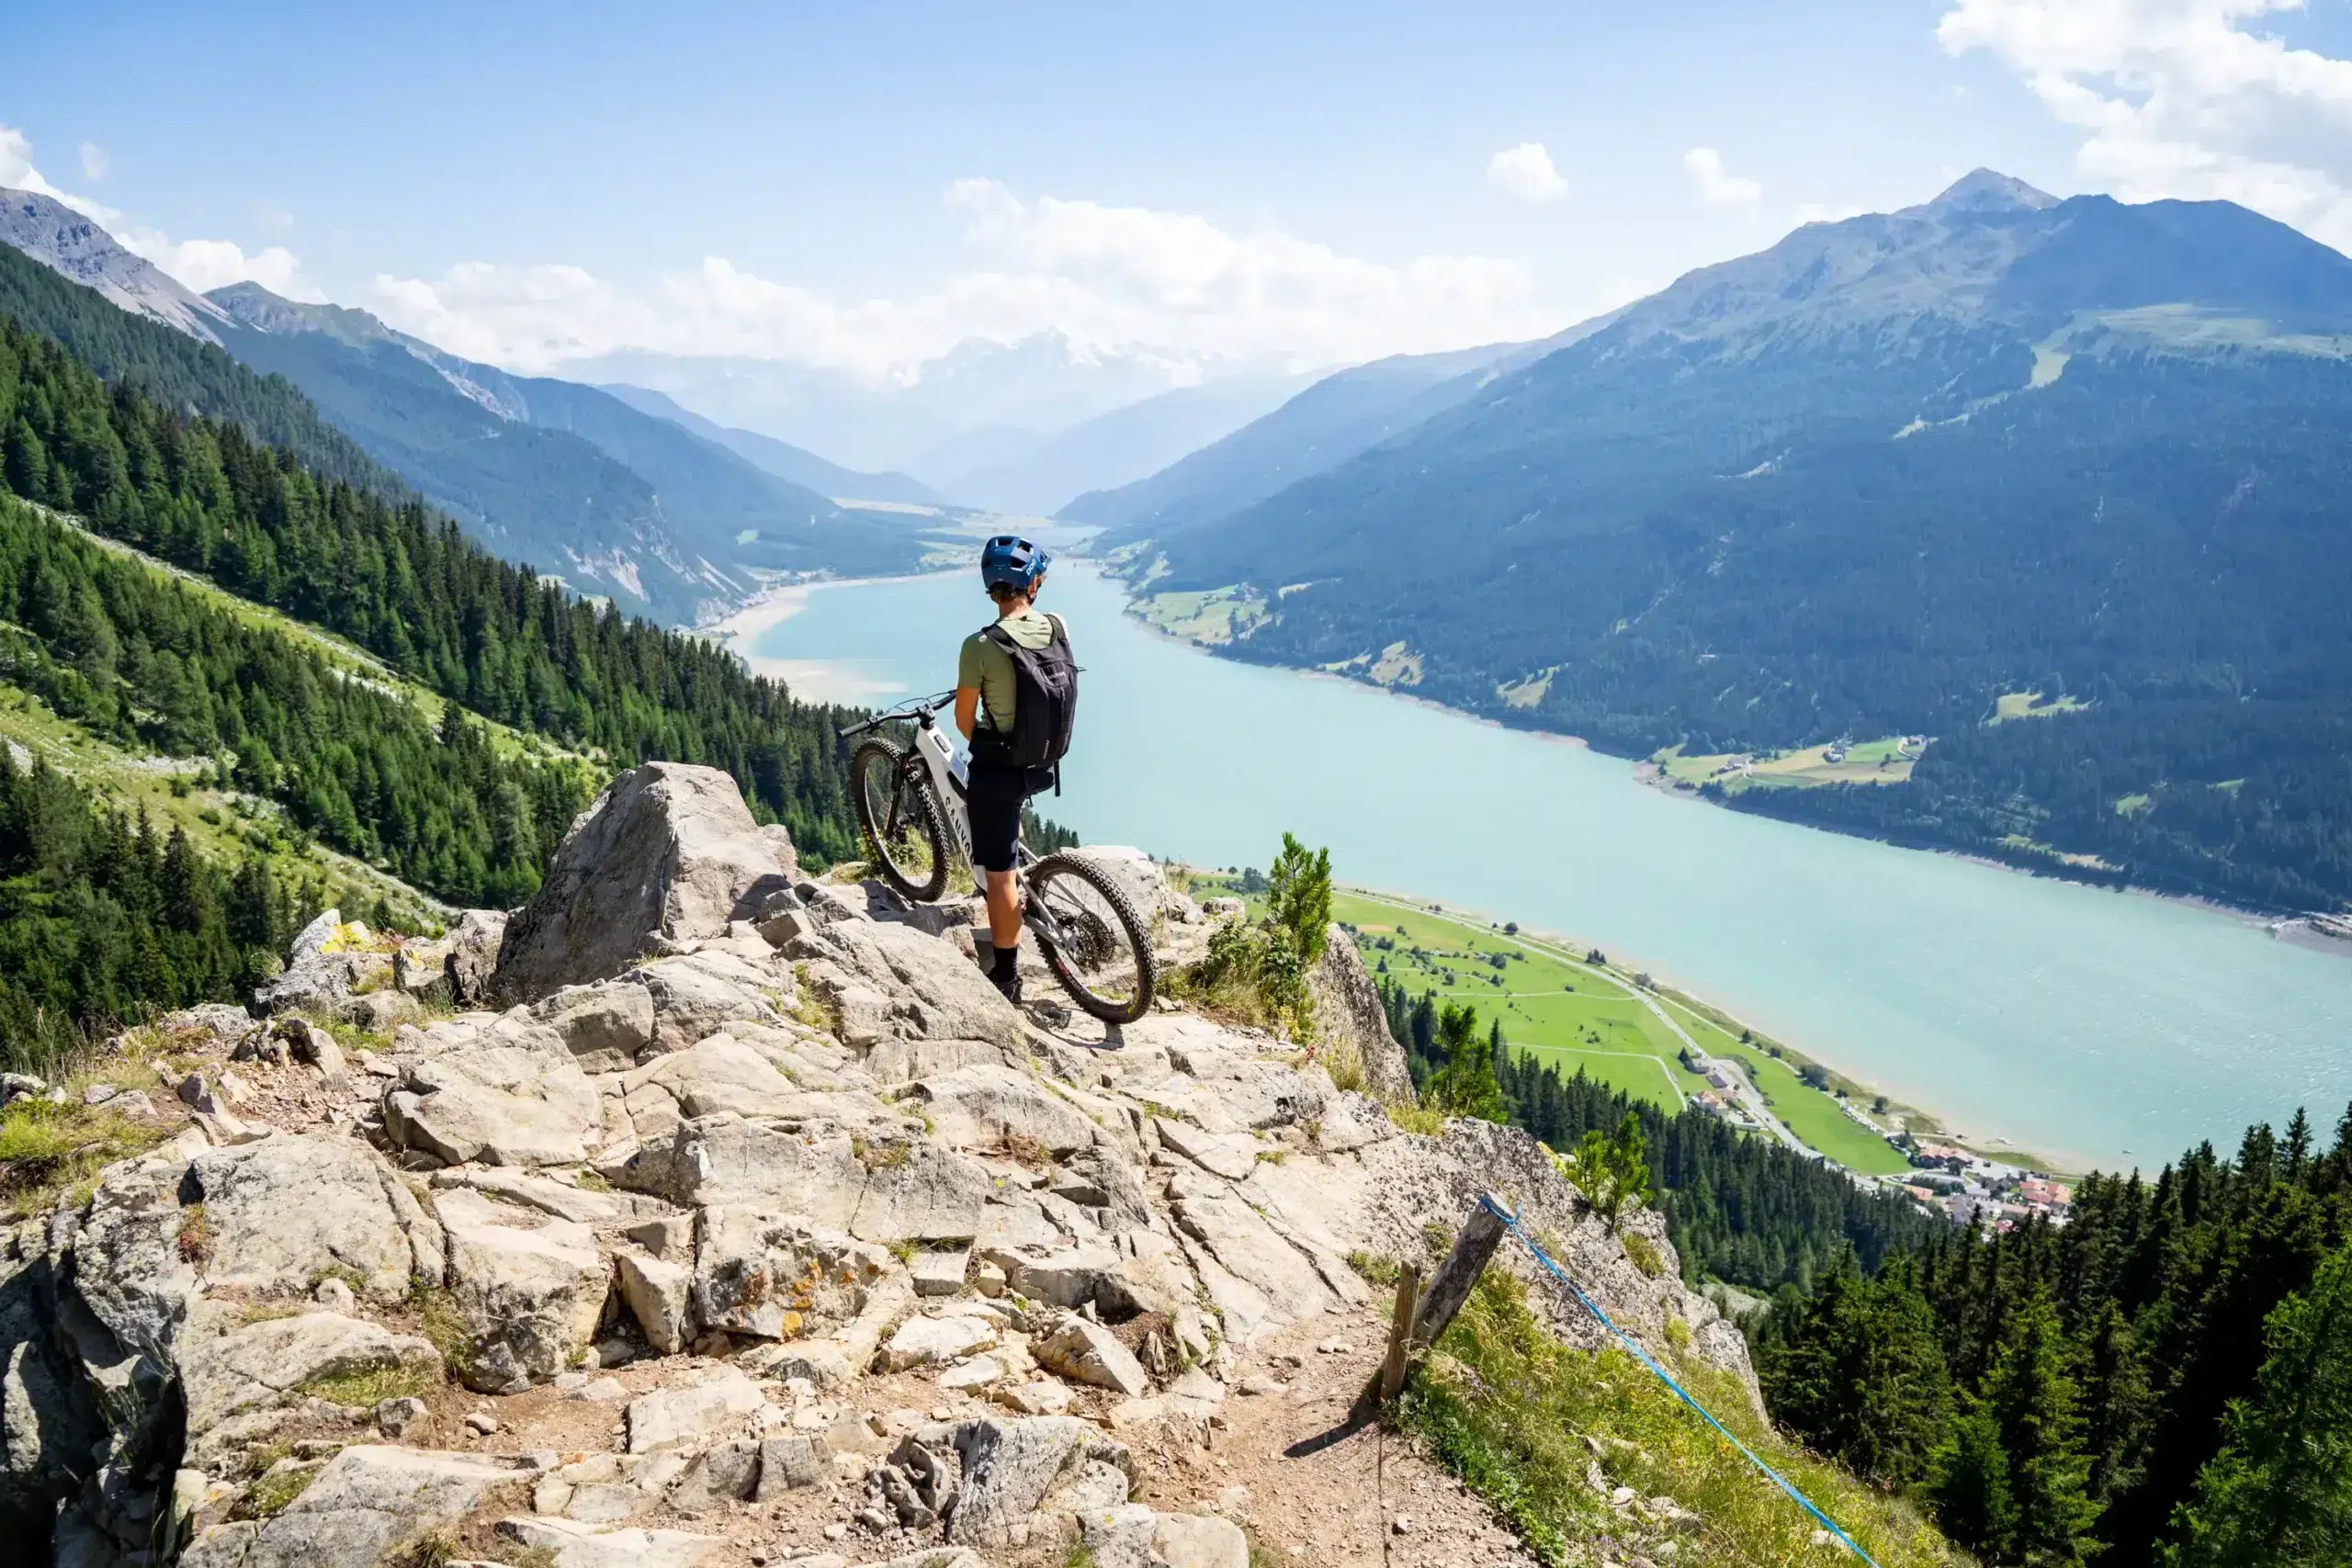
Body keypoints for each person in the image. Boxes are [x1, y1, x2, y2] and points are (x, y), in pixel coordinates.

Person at [955, 535, 1069, 1002]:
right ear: (1033, 584)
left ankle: (1007, 977)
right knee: (1007, 829)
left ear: (991, 587)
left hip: (1003, 768)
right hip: (1046, 759)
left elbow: (964, 724)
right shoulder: (1058, 625)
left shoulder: (979, 646)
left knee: (999, 876)